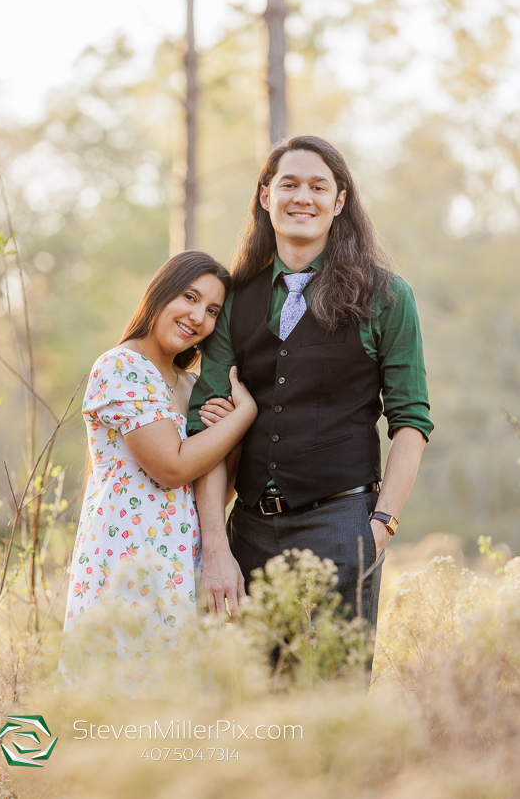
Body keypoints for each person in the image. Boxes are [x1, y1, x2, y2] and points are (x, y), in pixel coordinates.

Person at [187, 135, 433, 630]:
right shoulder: (234, 298)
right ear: (265, 196)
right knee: (251, 698)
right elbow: (205, 430)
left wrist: (380, 527)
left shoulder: (386, 296)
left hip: (343, 524)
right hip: (248, 533)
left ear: (339, 202)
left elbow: (410, 420)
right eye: (289, 184)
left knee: (335, 698)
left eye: (319, 187)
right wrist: (215, 546)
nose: (303, 197)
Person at [58, 251, 256, 687]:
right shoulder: (122, 367)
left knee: (174, 713)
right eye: (189, 297)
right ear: (161, 292)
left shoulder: (190, 385)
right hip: (127, 564)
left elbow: (206, 492)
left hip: (182, 567)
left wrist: (230, 439)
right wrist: (245, 415)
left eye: (212, 311)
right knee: (117, 700)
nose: (197, 317)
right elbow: (172, 468)